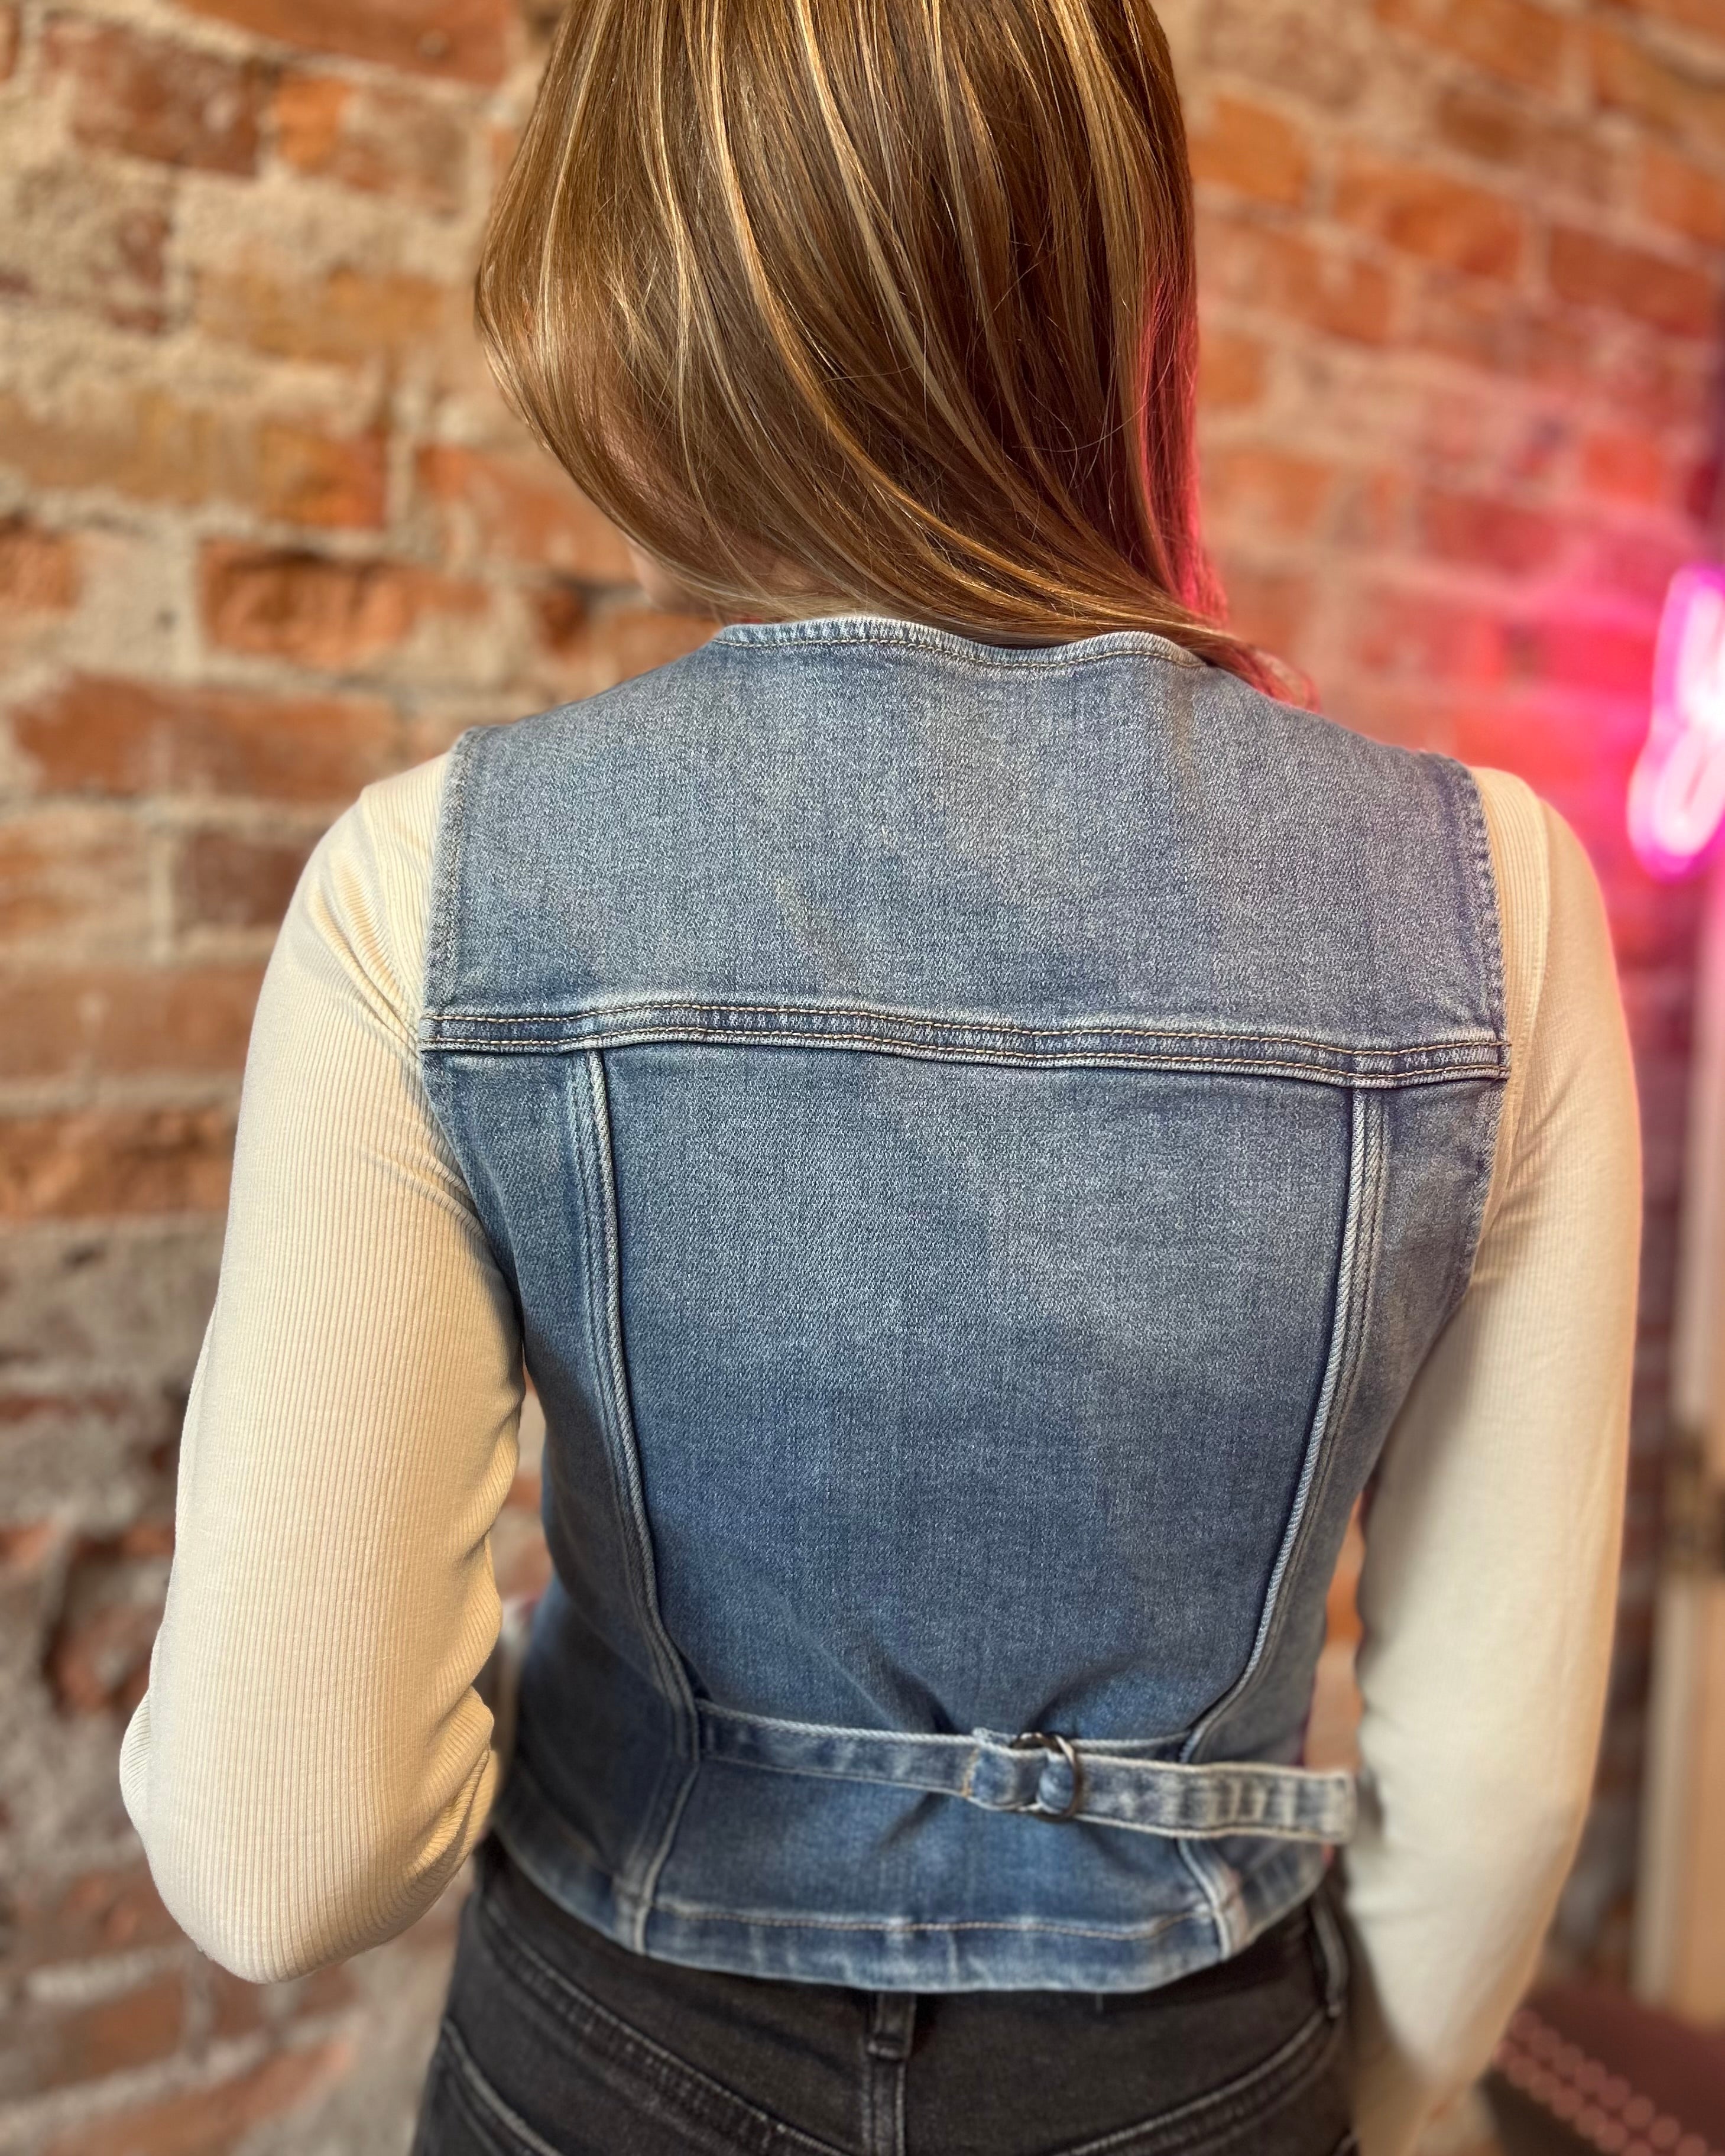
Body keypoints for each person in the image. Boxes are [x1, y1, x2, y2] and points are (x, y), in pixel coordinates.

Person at [118, 4, 1642, 2152]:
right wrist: (1328, 2111)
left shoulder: (432, 888)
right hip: (1194, 2067)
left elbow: (283, 1852)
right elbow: (1495, 1795)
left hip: (608, 2047)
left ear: (651, 325)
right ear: (1127, 283)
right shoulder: (1498, 902)